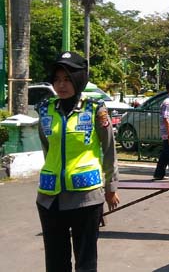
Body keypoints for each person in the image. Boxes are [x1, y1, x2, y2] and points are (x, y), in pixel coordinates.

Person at [36, 51, 120, 271]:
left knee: (85, 262)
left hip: (86, 199)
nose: (61, 85)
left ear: (79, 79)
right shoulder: (45, 109)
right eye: (57, 79)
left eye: (67, 79)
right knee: (55, 262)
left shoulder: (95, 109)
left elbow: (109, 150)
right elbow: (48, 148)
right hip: (49, 199)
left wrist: (111, 187)